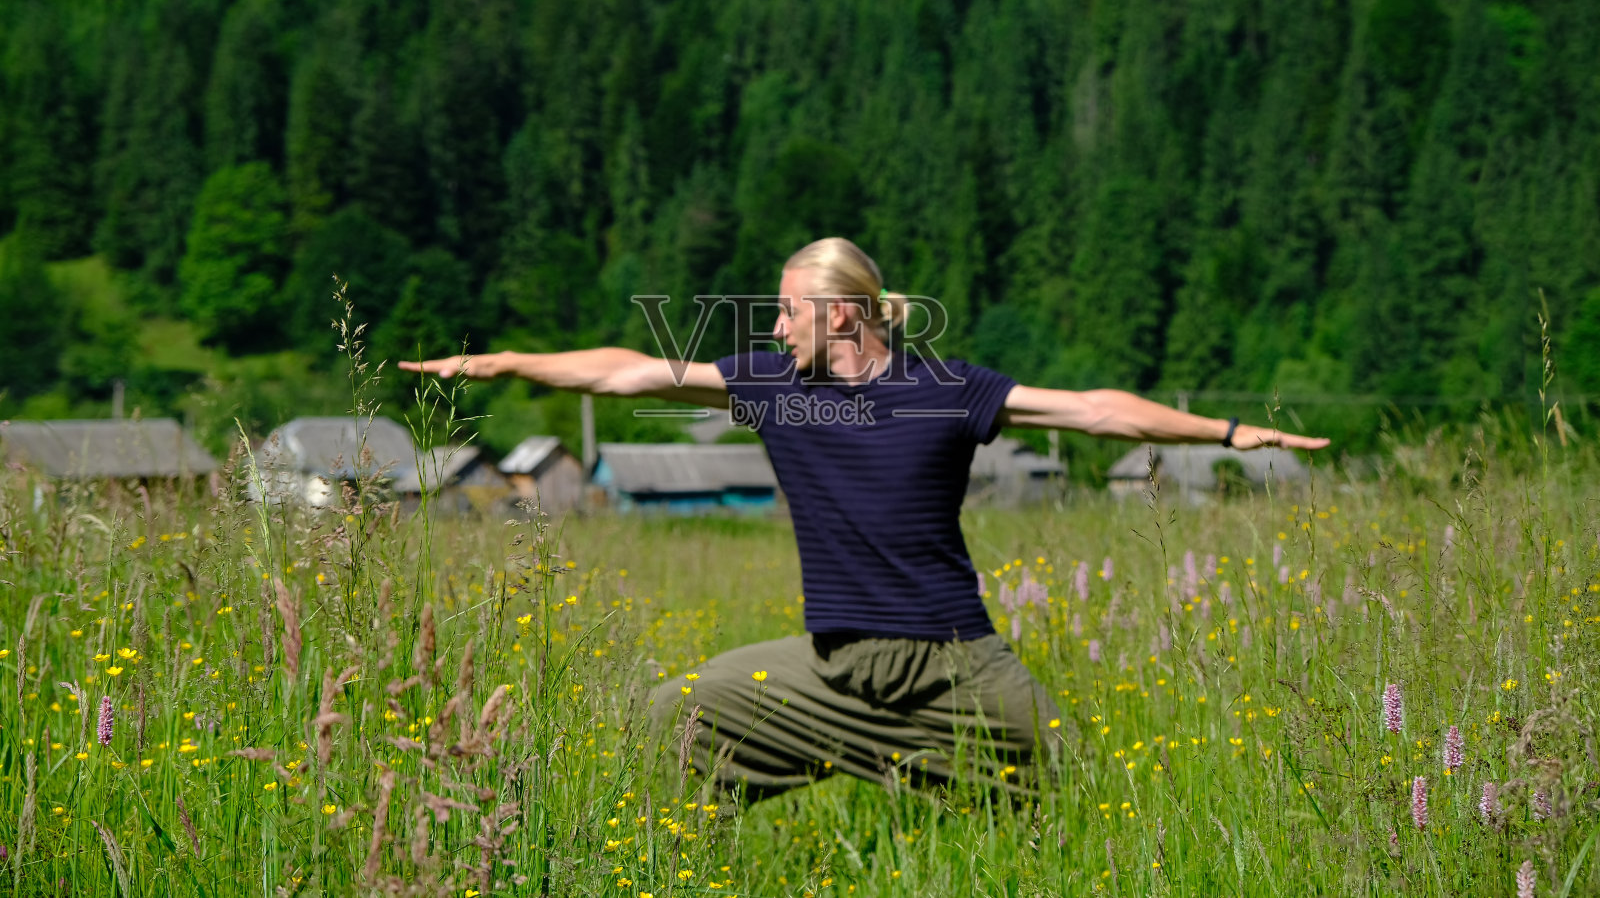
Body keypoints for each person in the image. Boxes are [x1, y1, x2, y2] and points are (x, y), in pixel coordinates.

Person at [401, 237, 1329, 802]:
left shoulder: (949, 390)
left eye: (788, 310)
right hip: (832, 665)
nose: (773, 327)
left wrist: (1231, 429)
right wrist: (507, 360)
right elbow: (625, 370)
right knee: (668, 718)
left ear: (842, 311)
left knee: (1082, 786)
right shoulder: (771, 385)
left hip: (958, 664)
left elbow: (1094, 409)